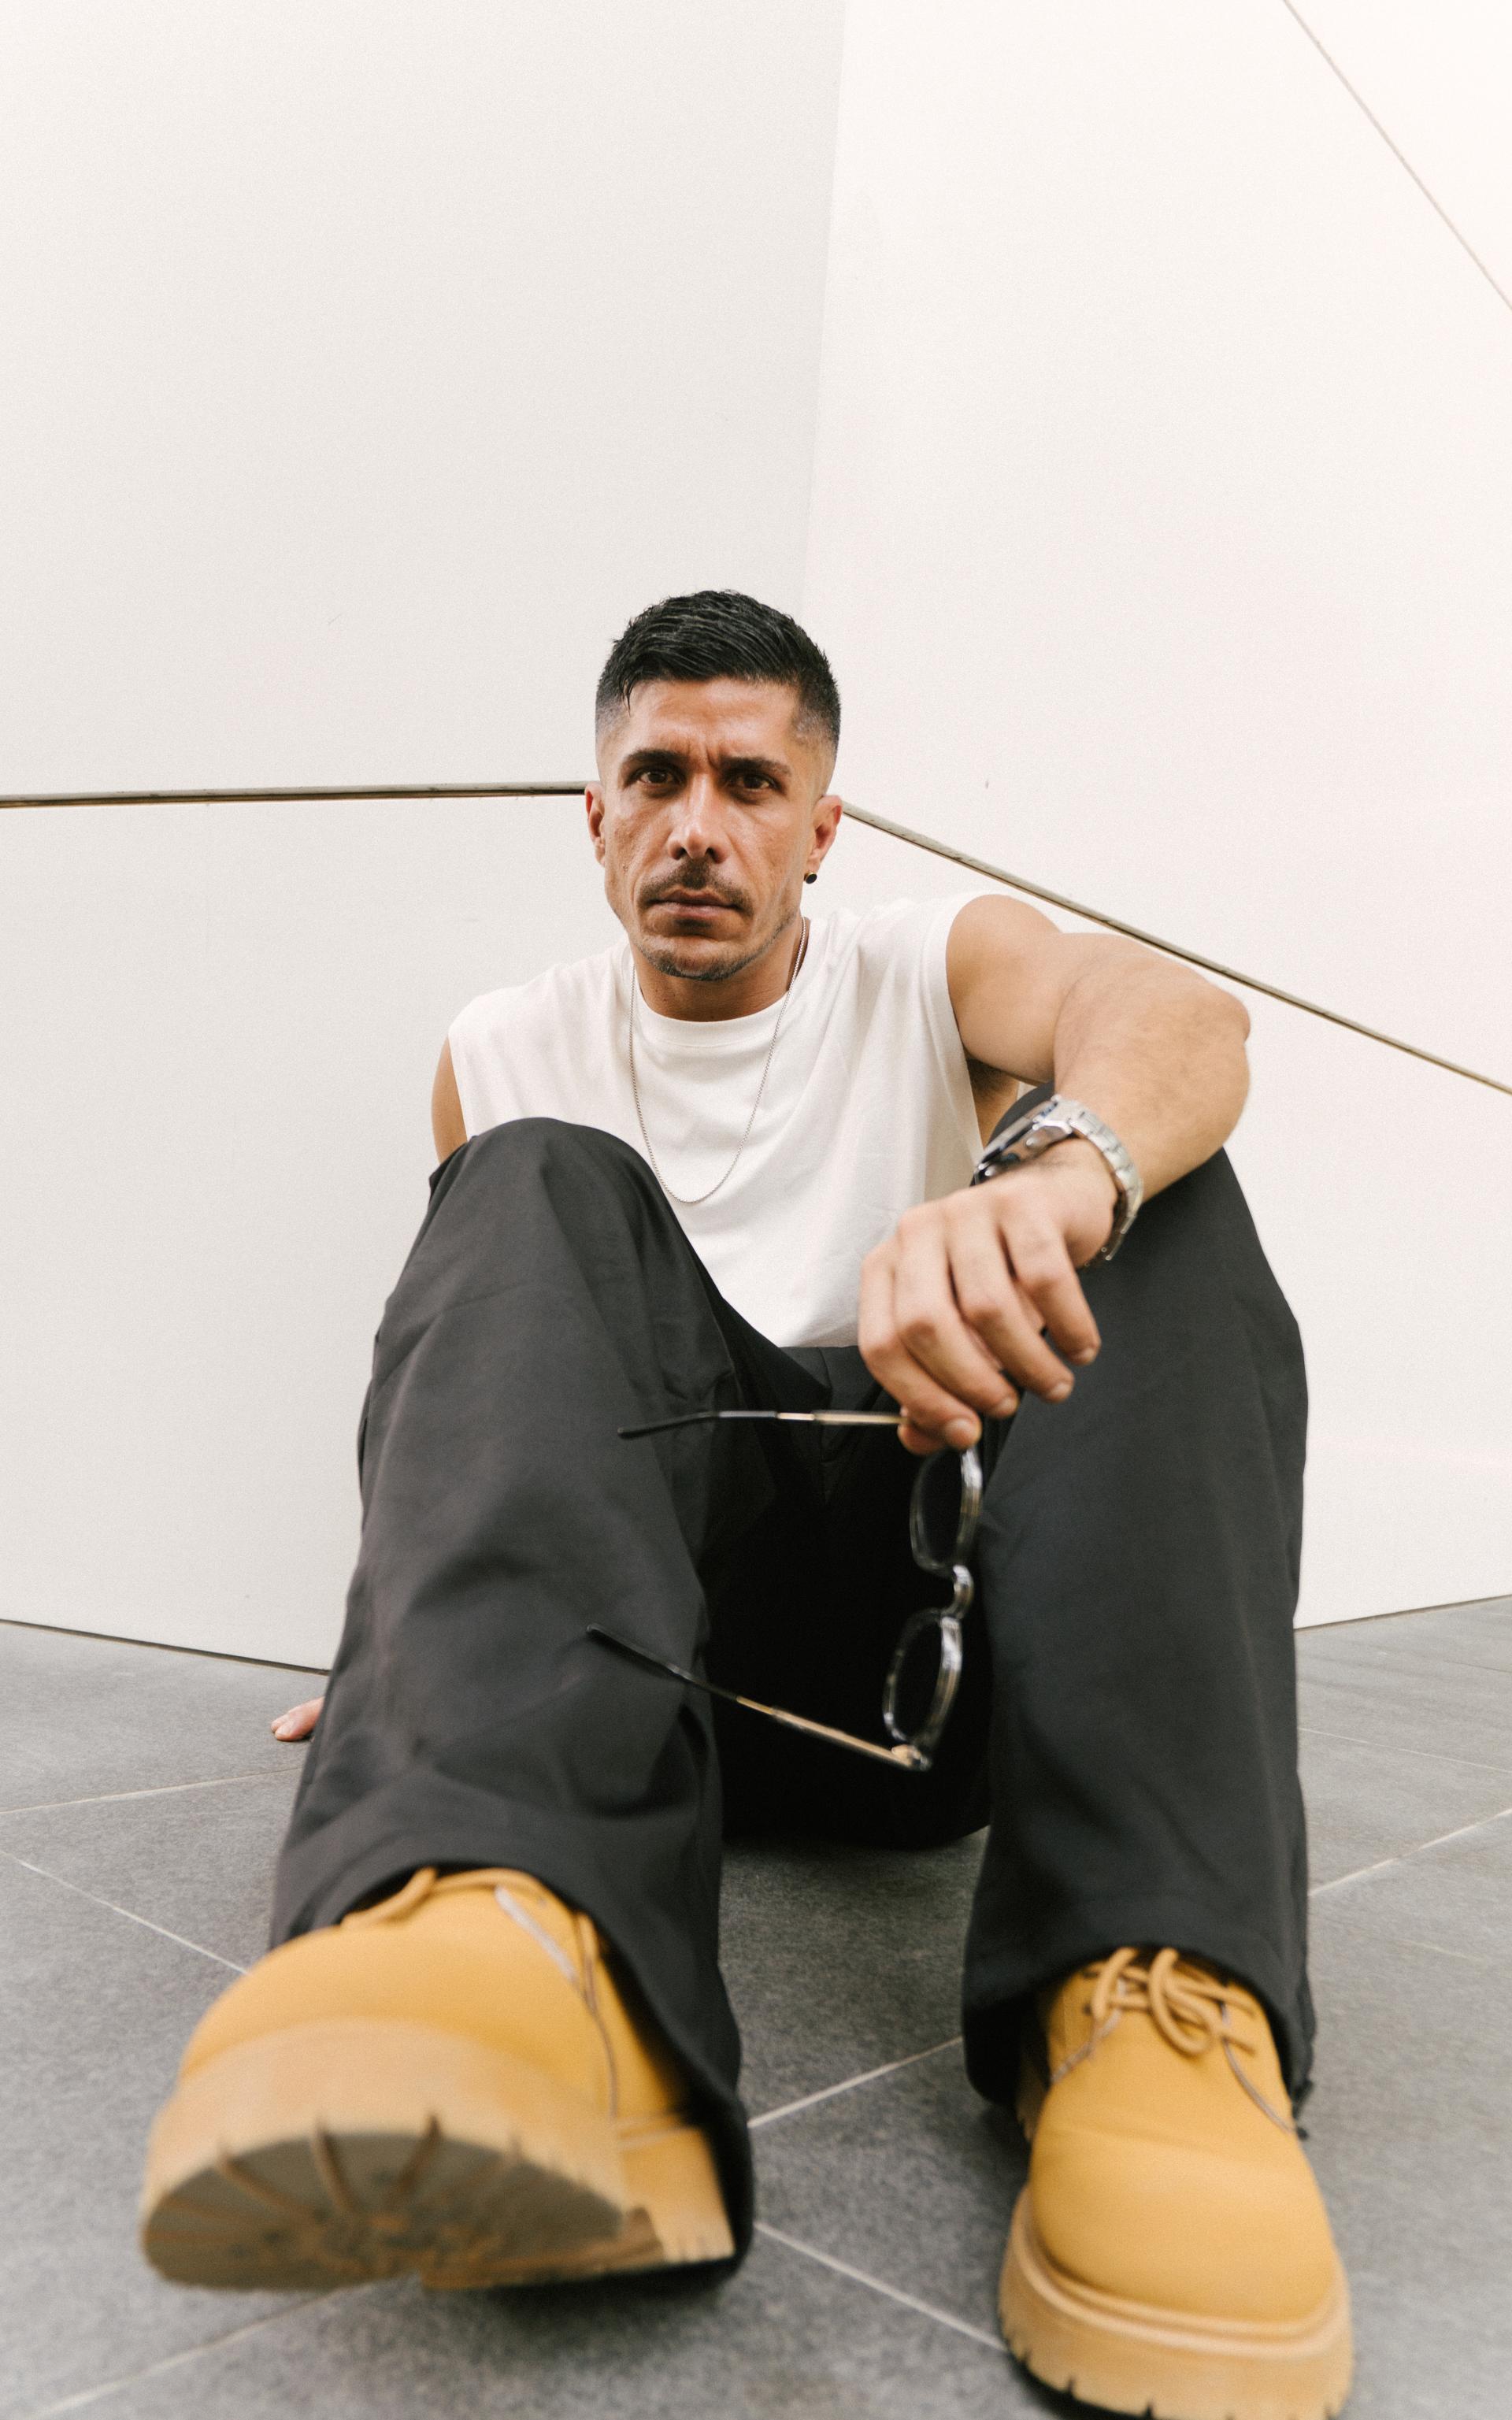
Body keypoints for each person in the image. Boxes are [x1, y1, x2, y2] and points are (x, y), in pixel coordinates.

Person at [140, 591, 1351, 2420]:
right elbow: (481, 1377)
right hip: (649, 1688)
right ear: (597, 815)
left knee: (1158, 1188)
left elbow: (1172, 1015)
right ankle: (513, 1914)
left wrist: (1052, 1175)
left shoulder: (927, 968)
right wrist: (411, 1647)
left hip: (937, 1672)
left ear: (821, 825)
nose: (699, 822)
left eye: (750, 781)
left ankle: (1158, 1992)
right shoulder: (504, 1048)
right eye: (657, 777)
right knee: (526, 1185)